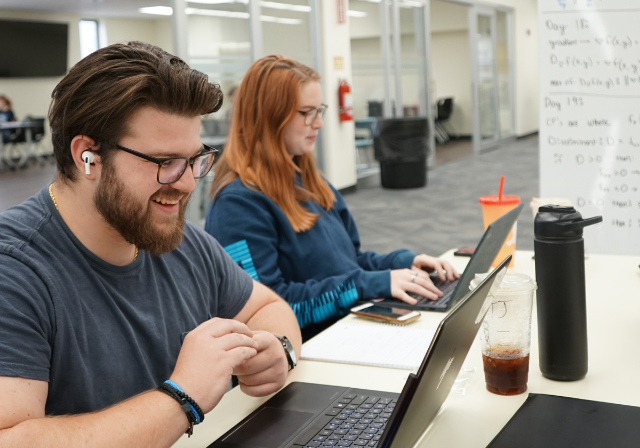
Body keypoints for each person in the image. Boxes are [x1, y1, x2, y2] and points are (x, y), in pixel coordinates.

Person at [0, 42, 301, 447]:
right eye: (165, 163)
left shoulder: (178, 239)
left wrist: (278, 351)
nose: (188, 183)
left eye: (194, 159)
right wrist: (181, 398)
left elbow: (268, 306)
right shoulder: (14, 269)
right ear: (87, 156)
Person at [205, 55, 459, 340]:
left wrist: (401, 263)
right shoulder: (237, 204)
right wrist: (366, 285)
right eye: (307, 112)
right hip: (304, 354)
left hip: (344, 329)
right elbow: (263, 313)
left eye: (320, 110)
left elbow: (349, 263)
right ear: (269, 117)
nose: (320, 124)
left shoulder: (312, 182)